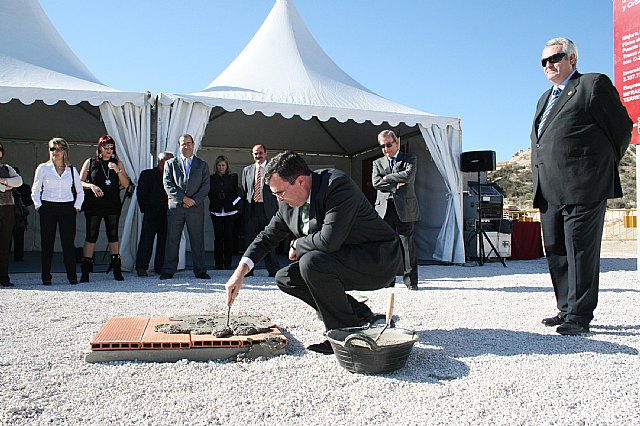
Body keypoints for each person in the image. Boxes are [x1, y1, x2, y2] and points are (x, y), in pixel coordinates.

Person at [225, 151, 403, 354]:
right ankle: (359, 315)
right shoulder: (287, 205)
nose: (279, 199)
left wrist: (297, 245)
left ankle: (343, 334)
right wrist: (239, 273)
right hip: (341, 259)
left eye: (280, 192)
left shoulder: (336, 185)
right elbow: (267, 237)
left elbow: (329, 240)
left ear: (300, 181)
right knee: (286, 277)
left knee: (311, 262)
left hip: (376, 259)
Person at [531, 37, 632, 335]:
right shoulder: (543, 99)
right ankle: (565, 308)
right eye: (544, 61)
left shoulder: (592, 85)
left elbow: (622, 128)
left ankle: (580, 315)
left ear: (572, 58)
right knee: (556, 250)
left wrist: (599, 165)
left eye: (556, 58)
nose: (550, 64)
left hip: (584, 187)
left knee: (580, 252)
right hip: (549, 190)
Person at [31, 137, 84, 285]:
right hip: (48, 207)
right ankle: (46, 276)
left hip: (67, 208)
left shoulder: (72, 170)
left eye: (59, 148)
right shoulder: (43, 168)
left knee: (68, 243)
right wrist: (38, 206)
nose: (56, 152)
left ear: (65, 151)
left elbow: (80, 191)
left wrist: (76, 207)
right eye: (53, 149)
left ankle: (72, 276)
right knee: (47, 243)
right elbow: (35, 189)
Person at [372, 130, 420, 290]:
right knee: (386, 246)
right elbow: (376, 183)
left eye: (388, 144)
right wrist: (395, 182)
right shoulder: (377, 163)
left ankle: (411, 282)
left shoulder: (410, 158)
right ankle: (387, 280)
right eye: (382, 146)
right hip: (384, 209)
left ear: (397, 142)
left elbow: (408, 176)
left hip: (404, 208)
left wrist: (387, 178)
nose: (385, 149)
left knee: (407, 245)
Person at [78, 135, 130, 282]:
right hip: (94, 205)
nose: (109, 150)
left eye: (111, 147)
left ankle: (116, 268)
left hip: (112, 204)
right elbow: (79, 182)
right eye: (106, 147)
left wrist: (117, 171)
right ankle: (86, 270)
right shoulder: (91, 163)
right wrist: (91, 185)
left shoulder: (117, 163)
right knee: (91, 234)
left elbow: (126, 184)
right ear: (100, 147)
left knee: (113, 235)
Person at [161, 134, 211, 280]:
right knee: (172, 239)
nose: (186, 146)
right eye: (184, 144)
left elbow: (205, 185)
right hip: (176, 207)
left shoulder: (202, 165)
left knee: (197, 239)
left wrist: (193, 200)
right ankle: (169, 270)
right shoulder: (170, 163)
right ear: (179, 146)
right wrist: (183, 198)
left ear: (193, 145)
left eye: (189, 143)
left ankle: (200, 270)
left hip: (195, 208)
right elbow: (167, 184)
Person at [241, 144, 279, 276]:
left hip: (267, 209)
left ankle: (273, 270)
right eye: (256, 153)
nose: (258, 155)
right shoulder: (247, 170)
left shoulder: (273, 170)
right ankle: (248, 271)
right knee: (250, 241)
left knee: (269, 239)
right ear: (252, 154)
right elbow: (245, 190)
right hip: (252, 209)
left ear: (266, 153)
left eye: (261, 153)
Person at [135, 151, 174, 276]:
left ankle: (160, 266)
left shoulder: (174, 176)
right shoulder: (147, 174)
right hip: (151, 212)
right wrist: (146, 209)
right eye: (171, 161)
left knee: (164, 241)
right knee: (146, 240)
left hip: (167, 212)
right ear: (162, 162)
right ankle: (141, 267)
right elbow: (141, 193)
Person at [208, 155, 241, 270]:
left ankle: (228, 263)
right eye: (219, 165)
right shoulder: (211, 178)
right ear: (216, 166)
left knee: (228, 237)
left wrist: (232, 204)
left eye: (223, 165)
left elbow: (238, 193)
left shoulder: (232, 177)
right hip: (216, 211)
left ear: (227, 166)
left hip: (230, 211)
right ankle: (218, 263)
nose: (221, 167)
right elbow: (209, 193)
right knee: (218, 237)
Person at [0, 143, 23, 287]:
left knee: (4, 244)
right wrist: (5, 187)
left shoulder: (7, 168)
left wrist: (4, 181)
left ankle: (3, 276)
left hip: (7, 208)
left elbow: (19, 181)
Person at [10, 167, 33, 262]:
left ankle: (18, 256)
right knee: (6, 236)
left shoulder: (24, 188)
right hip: (9, 213)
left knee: (18, 236)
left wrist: (21, 205)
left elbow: (29, 200)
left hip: (19, 215)